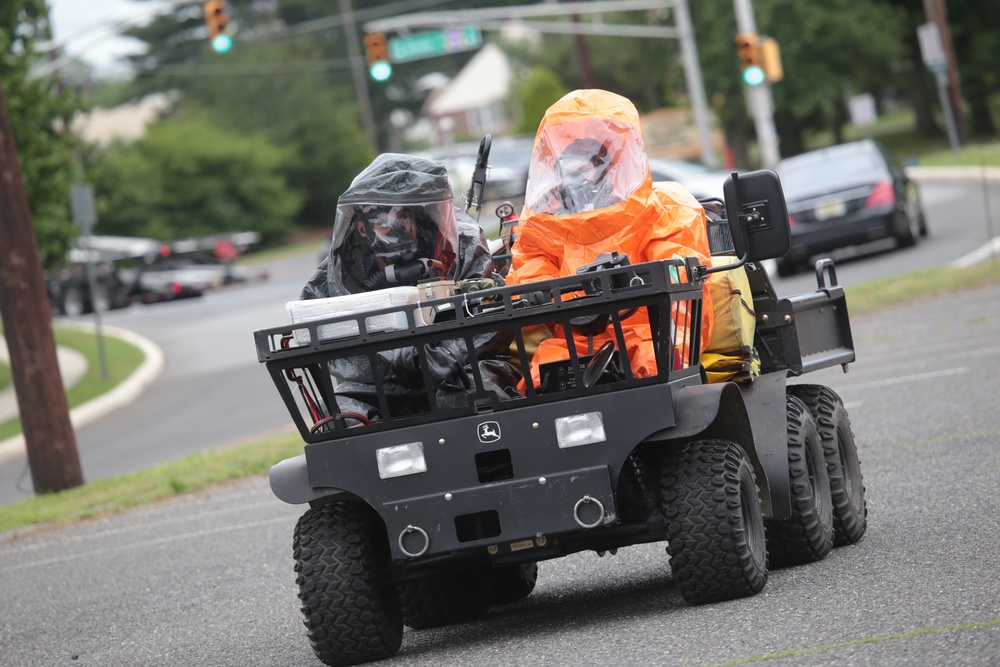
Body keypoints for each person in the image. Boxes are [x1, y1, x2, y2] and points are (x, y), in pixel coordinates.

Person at [506, 89, 715, 389]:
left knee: (652, 366)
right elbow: (529, 279)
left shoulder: (665, 209)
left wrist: (671, 344)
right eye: (569, 163)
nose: (578, 176)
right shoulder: (542, 224)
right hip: (576, 346)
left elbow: (683, 293)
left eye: (588, 162)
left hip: (649, 335)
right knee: (541, 380)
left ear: (615, 162)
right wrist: (535, 296)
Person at [300, 153, 518, 420]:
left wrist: (446, 354)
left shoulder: (463, 244)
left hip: (462, 368)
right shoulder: (344, 265)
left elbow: (492, 314)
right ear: (362, 228)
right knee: (340, 417)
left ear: (418, 216)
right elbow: (320, 328)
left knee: (466, 393)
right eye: (382, 221)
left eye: (403, 217)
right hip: (378, 381)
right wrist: (401, 357)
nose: (396, 230)